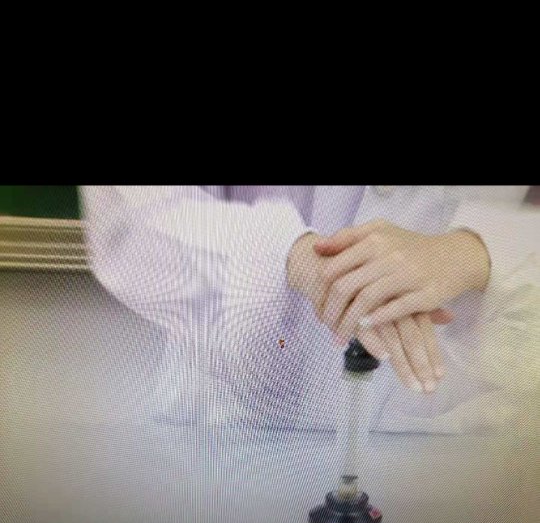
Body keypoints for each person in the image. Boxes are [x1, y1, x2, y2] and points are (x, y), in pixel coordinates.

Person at [82, 186, 540, 435]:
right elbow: (127, 217)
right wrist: (294, 256)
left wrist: (472, 251)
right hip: (232, 425)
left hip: (448, 427)